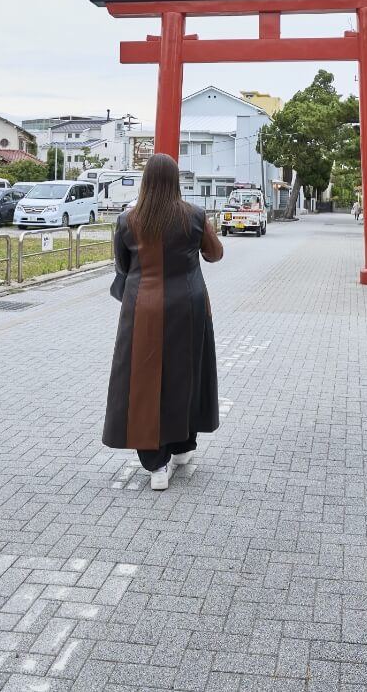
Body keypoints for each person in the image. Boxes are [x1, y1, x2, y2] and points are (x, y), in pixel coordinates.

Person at [104, 153, 223, 490]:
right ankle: (183, 445)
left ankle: (156, 465)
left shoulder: (128, 220)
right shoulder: (195, 216)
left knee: (143, 380)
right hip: (189, 304)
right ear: (176, 181)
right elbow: (214, 254)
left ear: (145, 181)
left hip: (142, 307)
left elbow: (123, 268)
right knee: (187, 371)